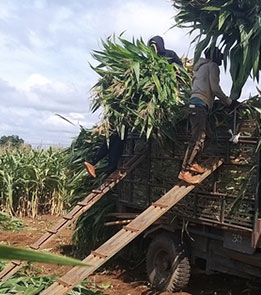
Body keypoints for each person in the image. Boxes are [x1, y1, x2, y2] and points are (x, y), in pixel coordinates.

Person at [83, 36, 183, 178]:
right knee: (118, 135)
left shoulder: (155, 58)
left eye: (155, 45)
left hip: (130, 105)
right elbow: (180, 71)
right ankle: (107, 166)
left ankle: (94, 161)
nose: (153, 48)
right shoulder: (158, 57)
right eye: (152, 45)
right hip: (139, 106)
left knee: (116, 135)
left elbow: (180, 72)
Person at [178, 47, 233, 184]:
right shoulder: (212, 66)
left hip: (195, 104)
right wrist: (228, 101)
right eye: (220, 56)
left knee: (206, 134)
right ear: (214, 56)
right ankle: (184, 170)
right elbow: (215, 88)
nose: (221, 59)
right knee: (198, 138)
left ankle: (194, 162)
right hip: (199, 105)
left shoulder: (200, 67)